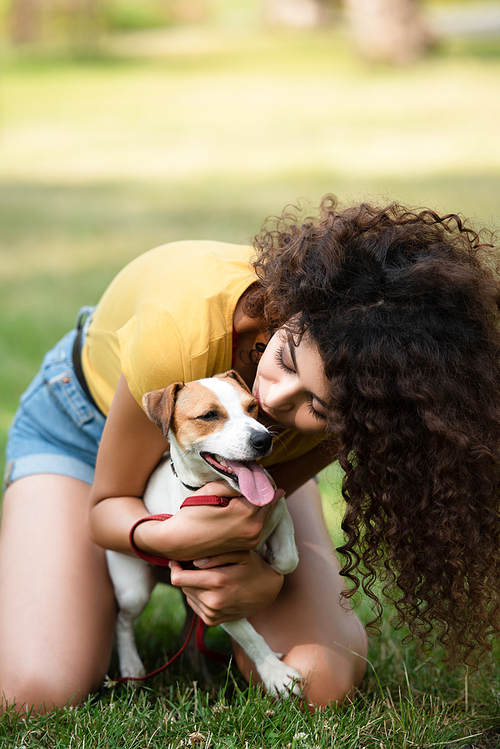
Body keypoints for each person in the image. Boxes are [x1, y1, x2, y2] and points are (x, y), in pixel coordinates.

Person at [2, 196, 500, 715]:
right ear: (300, 306)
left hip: (238, 462)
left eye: (317, 406)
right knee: (31, 692)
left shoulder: (362, 401)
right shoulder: (181, 334)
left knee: (318, 681)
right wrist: (168, 537)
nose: (272, 403)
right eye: (284, 360)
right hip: (85, 423)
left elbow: (261, 500)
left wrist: (263, 579)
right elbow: (110, 507)